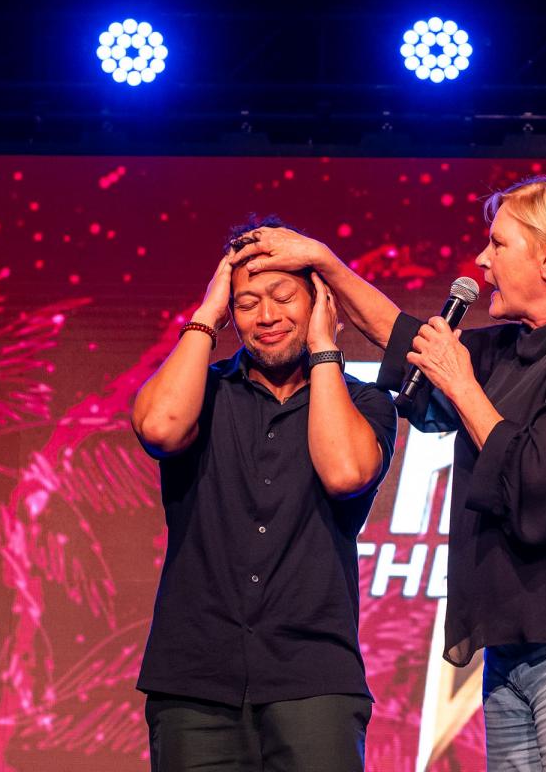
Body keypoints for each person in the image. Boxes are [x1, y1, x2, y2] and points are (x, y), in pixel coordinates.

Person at [229, 177, 546, 771]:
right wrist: (324, 263)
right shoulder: (507, 350)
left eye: (499, 244)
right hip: (511, 650)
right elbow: (399, 337)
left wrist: (462, 385)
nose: (482, 261)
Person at [130, 217, 397, 772]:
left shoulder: (363, 403)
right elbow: (158, 428)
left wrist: (323, 347)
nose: (267, 316)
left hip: (313, 679)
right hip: (195, 681)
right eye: (247, 303)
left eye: (283, 297)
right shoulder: (202, 392)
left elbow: (345, 472)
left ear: (320, 303)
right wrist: (207, 314)